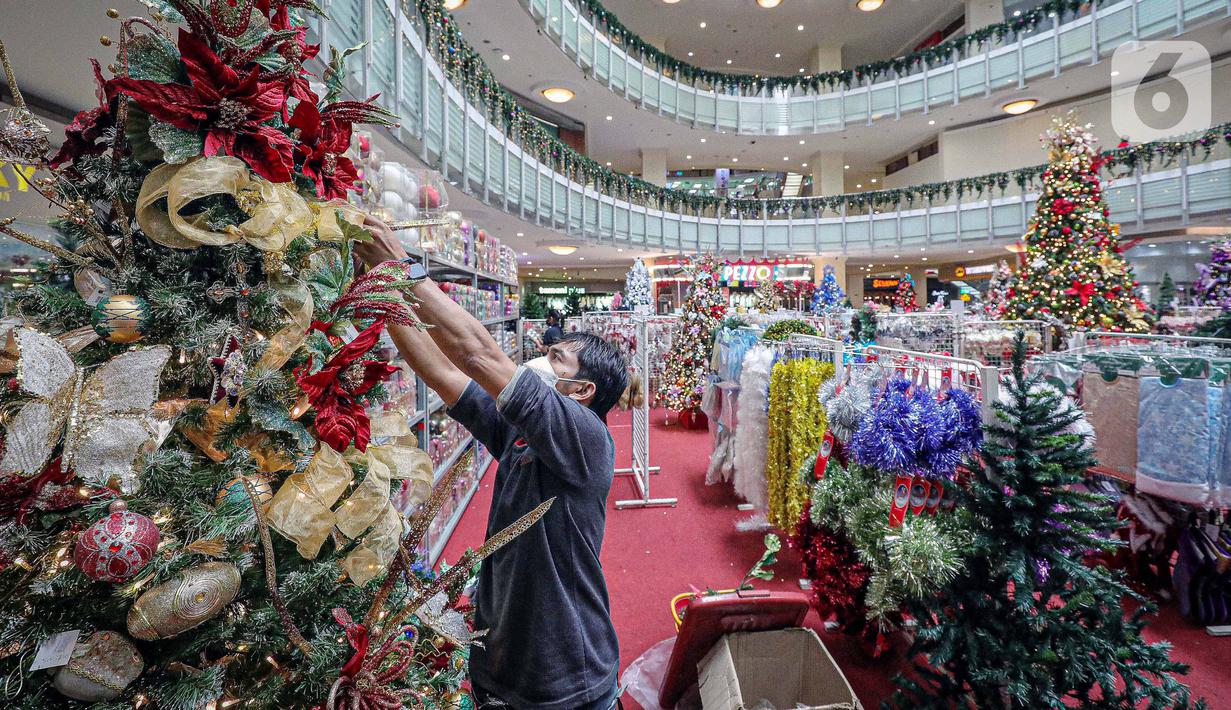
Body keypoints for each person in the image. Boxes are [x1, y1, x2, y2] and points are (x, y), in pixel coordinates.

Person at [356, 216, 628, 710]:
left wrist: (403, 269)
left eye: (557, 358)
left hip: (566, 676)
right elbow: (441, 371)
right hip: (499, 665)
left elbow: (479, 353)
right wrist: (384, 295)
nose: (540, 358)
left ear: (583, 391)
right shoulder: (522, 434)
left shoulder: (588, 440)